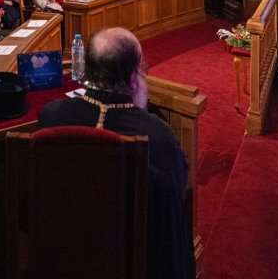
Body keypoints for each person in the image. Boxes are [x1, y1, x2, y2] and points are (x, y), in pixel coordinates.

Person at [36, 28, 194, 279]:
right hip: (129, 256)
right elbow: (172, 207)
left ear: (86, 69)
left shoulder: (52, 116)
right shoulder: (157, 135)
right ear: (134, 76)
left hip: (60, 250)